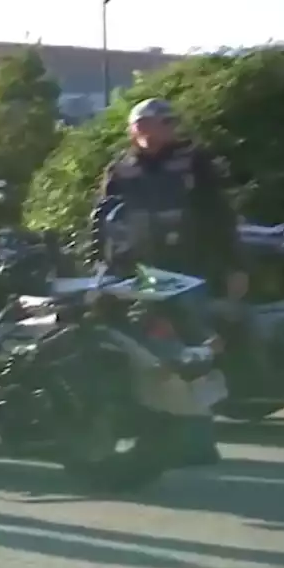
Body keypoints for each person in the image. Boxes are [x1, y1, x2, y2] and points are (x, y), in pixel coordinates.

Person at [100, 97, 253, 467]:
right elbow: (103, 220)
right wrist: (103, 266)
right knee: (143, 349)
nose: (159, 130)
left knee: (196, 350)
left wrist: (234, 265)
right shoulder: (120, 169)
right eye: (150, 123)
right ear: (135, 128)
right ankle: (154, 431)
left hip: (188, 268)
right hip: (140, 272)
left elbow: (219, 216)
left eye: (166, 122)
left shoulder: (194, 163)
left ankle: (199, 439)